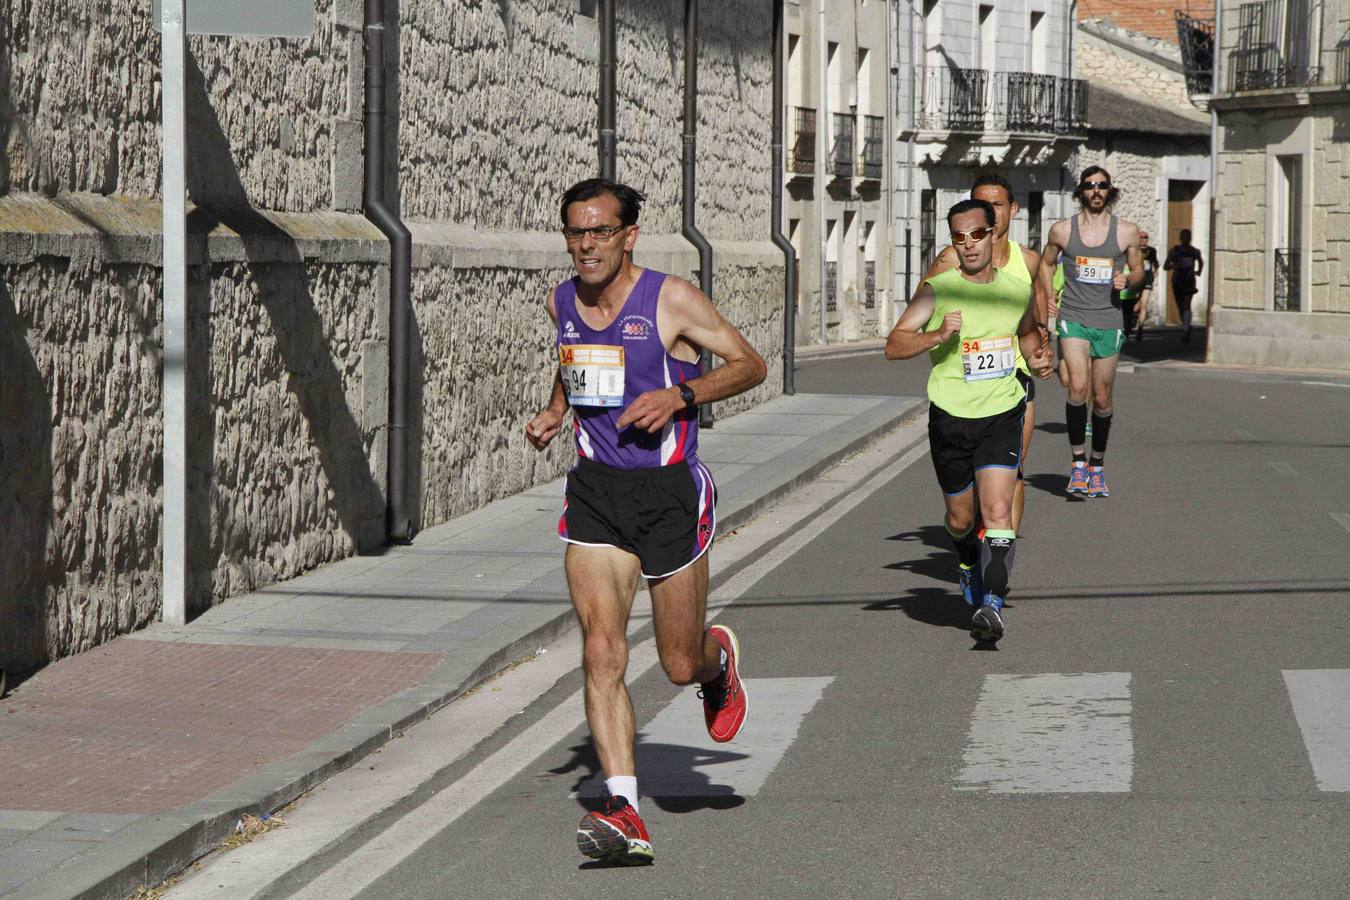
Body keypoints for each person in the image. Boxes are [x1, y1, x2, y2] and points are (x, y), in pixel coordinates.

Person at [525, 178, 766, 866]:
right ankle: (624, 808)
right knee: (602, 649)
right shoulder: (561, 299)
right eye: (576, 232)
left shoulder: (672, 299)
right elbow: (574, 360)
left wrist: (680, 392)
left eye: (600, 231)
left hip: (668, 494)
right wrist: (556, 411)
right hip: (596, 492)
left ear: (630, 235)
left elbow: (752, 364)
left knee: (677, 660)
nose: (586, 245)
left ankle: (717, 664)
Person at [886, 198, 1054, 643]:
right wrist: (937, 335)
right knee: (961, 520)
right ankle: (965, 561)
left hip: (1002, 411)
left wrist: (1039, 359)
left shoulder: (1015, 289)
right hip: (951, 418)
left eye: (976, 234)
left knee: (998, 509)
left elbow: (1027, 333)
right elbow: (894, 344)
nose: (968, 245)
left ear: (993, 232)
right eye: (958, 238)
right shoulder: (938, 290)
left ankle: (991, 606)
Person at [918, 172, 1048, 538]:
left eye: (997, 204)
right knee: (969, 497)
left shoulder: (1029, 261)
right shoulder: (950, 258)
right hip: (964, 386)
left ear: (1012, 210)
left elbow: (1037, 313)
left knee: (1014, 469)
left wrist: (1043, 345)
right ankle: (976, 532)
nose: (990, 210)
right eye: (982, 203)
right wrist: (943, 335)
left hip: (1014, 378)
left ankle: (1000, 548)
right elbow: (924, 306)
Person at [1037, 165, 1144, 499]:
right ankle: (1078, 463)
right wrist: (1048, 297)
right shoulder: (1062, 231)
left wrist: (1129, 280)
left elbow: (1139, 269)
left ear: (1109, 191)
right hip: (1074, 317)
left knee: (1101, 397)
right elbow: (1045, 263)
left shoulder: (1126, 232)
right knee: (1077, 386)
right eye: (1090, 185)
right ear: (1080, 191)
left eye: (1102, 186)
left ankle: (1097, 466)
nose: (1096, 191)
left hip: (1109, 320)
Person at [1164, 229, 1204, 342]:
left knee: (1187, 305)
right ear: (1180, 238)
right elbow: (1166, 266)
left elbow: (1201, 261)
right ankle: (1186, 324)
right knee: (1180, 307)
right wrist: (1174, 266)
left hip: (1189, 281)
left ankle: (1186, 330)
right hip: (1177, 281)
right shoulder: (1174, 251)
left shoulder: (1194, 251)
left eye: (1188, 237)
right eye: (1184, 237)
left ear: (1190, 238)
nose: (1186, 239)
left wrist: (1199, 271)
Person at [1126, 231, 1159, 341]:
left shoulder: (1151, 251)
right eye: (1141, 237)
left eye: (1146, 237)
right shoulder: (1133, 250)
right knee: (1134, 306)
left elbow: (1156, 264)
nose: (1144, 239)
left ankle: (1140, 330)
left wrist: (1155, 272)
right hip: (1136, 280)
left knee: (1143, 305)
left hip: (1147, 279)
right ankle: (1130, 324)